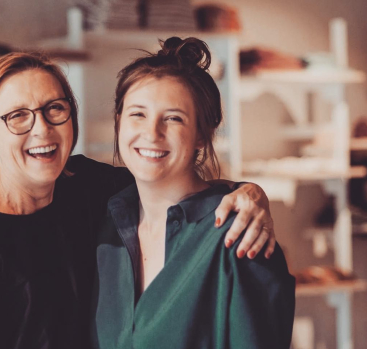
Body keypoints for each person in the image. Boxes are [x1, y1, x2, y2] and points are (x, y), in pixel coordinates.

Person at [0, 52, 276, 349]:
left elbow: (170, 179)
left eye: (54, 108)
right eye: (18, 116)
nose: (42, 128)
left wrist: (248, 193)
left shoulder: (89, 190)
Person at [92, 37, 295, 349]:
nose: (152, 133)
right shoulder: (105, 227)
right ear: (119, 122)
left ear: (202, 133)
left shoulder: (239, 237)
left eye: (173, 118)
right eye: (138, 114)